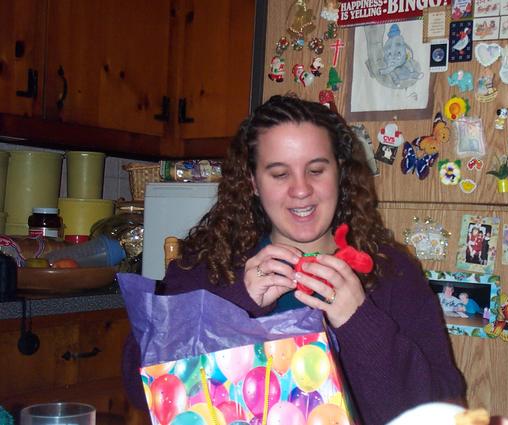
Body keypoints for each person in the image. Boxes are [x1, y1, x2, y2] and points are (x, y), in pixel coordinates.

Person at [122, 95, 465, 424]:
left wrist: (359, 321)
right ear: (253, 182)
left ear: (340, 173)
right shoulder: (208, 265)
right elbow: (143, 391)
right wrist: (233, 307)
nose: (301, 190)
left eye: (316, 170)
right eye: (280, 174)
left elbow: (444, 410)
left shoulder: (391, 272)